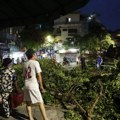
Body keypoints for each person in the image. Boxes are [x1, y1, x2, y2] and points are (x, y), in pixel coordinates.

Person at [23, 48, 48, 120]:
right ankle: (45, 118)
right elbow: (39, 75)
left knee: (28, 103)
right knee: (40, 102)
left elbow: (24, 76)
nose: (36, 55)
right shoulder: (35, 63)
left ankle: (31, 118)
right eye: (35, 54)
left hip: (26, 84)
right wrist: (41, 87)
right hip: (33, 85)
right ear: (33, 55)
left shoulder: (25, 63)